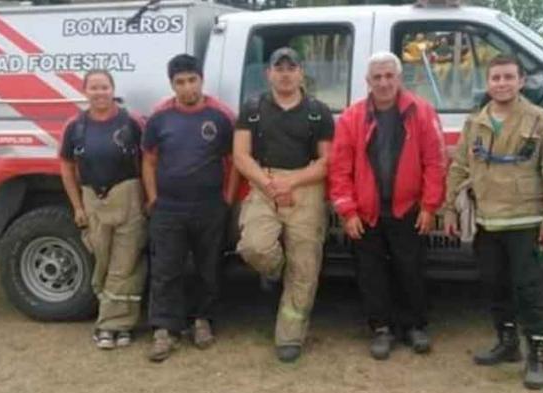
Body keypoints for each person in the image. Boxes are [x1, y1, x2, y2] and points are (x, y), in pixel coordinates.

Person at [443, 55, 543, 390]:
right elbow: (458, 168)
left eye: (508, 77)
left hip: (527, 223)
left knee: (530, 290)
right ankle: (507, 343)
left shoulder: (542, 121)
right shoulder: (476, 123)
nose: (501, 83)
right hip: (487, 223)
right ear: (488, 83)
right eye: (495, 78)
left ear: (521, 81)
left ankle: (537, 355)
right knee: (495, 286)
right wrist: (450, 209)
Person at [329, 52, 446, 361]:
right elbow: (339, 169)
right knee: (371, 273)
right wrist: (348, 211)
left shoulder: (422, 112)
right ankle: (381, 328)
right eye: (377, 77)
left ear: (399, 78)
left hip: (408, 208)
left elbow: (435, 163)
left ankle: (415, 326)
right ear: (367, 82)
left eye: (389, 76)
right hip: (365, 212)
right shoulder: (352, 117)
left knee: (411, 269)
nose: (383, 82)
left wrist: (430, 206)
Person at [233, 47, 334, 363]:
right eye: (279, 67)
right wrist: (271, 186)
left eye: (292, 68)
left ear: (301, 73)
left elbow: (327, 161)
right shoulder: (251, 109)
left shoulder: (318, 111)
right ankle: (275, 270)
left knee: (305, 267)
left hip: (306, 184)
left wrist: (291, 183)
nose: (286, 73)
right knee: (253, 247)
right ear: (269, 74)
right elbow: (240, 156)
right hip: (264, 182)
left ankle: (289, 335)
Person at [142, 54, 239, 362]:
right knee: (166, 269)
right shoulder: (159, 117)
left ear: (201, 79)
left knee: (208, 267)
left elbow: (235, 160)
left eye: (191, 80)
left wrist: (228, 198)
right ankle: (164, 329)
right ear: (172, 85)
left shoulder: (221, 115)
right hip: (168, 207)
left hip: (210, 206)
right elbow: (149, 159)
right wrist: (153, 197)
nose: (186, 88)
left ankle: (203, 321)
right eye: (179, 82)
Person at [59, 69, 147, 350]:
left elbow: (148, 161)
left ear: (113, 89)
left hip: (128, 196)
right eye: (94, 88)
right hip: (93, 200)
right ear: (85, 91)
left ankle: (114, 326)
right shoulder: (75, 127)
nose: (99, 93)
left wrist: (148, 198)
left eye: (104, 87)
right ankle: (112, 317)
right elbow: (67, 165)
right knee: (104, 261)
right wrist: (77, 206)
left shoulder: (131, 122)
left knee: (126, 262)